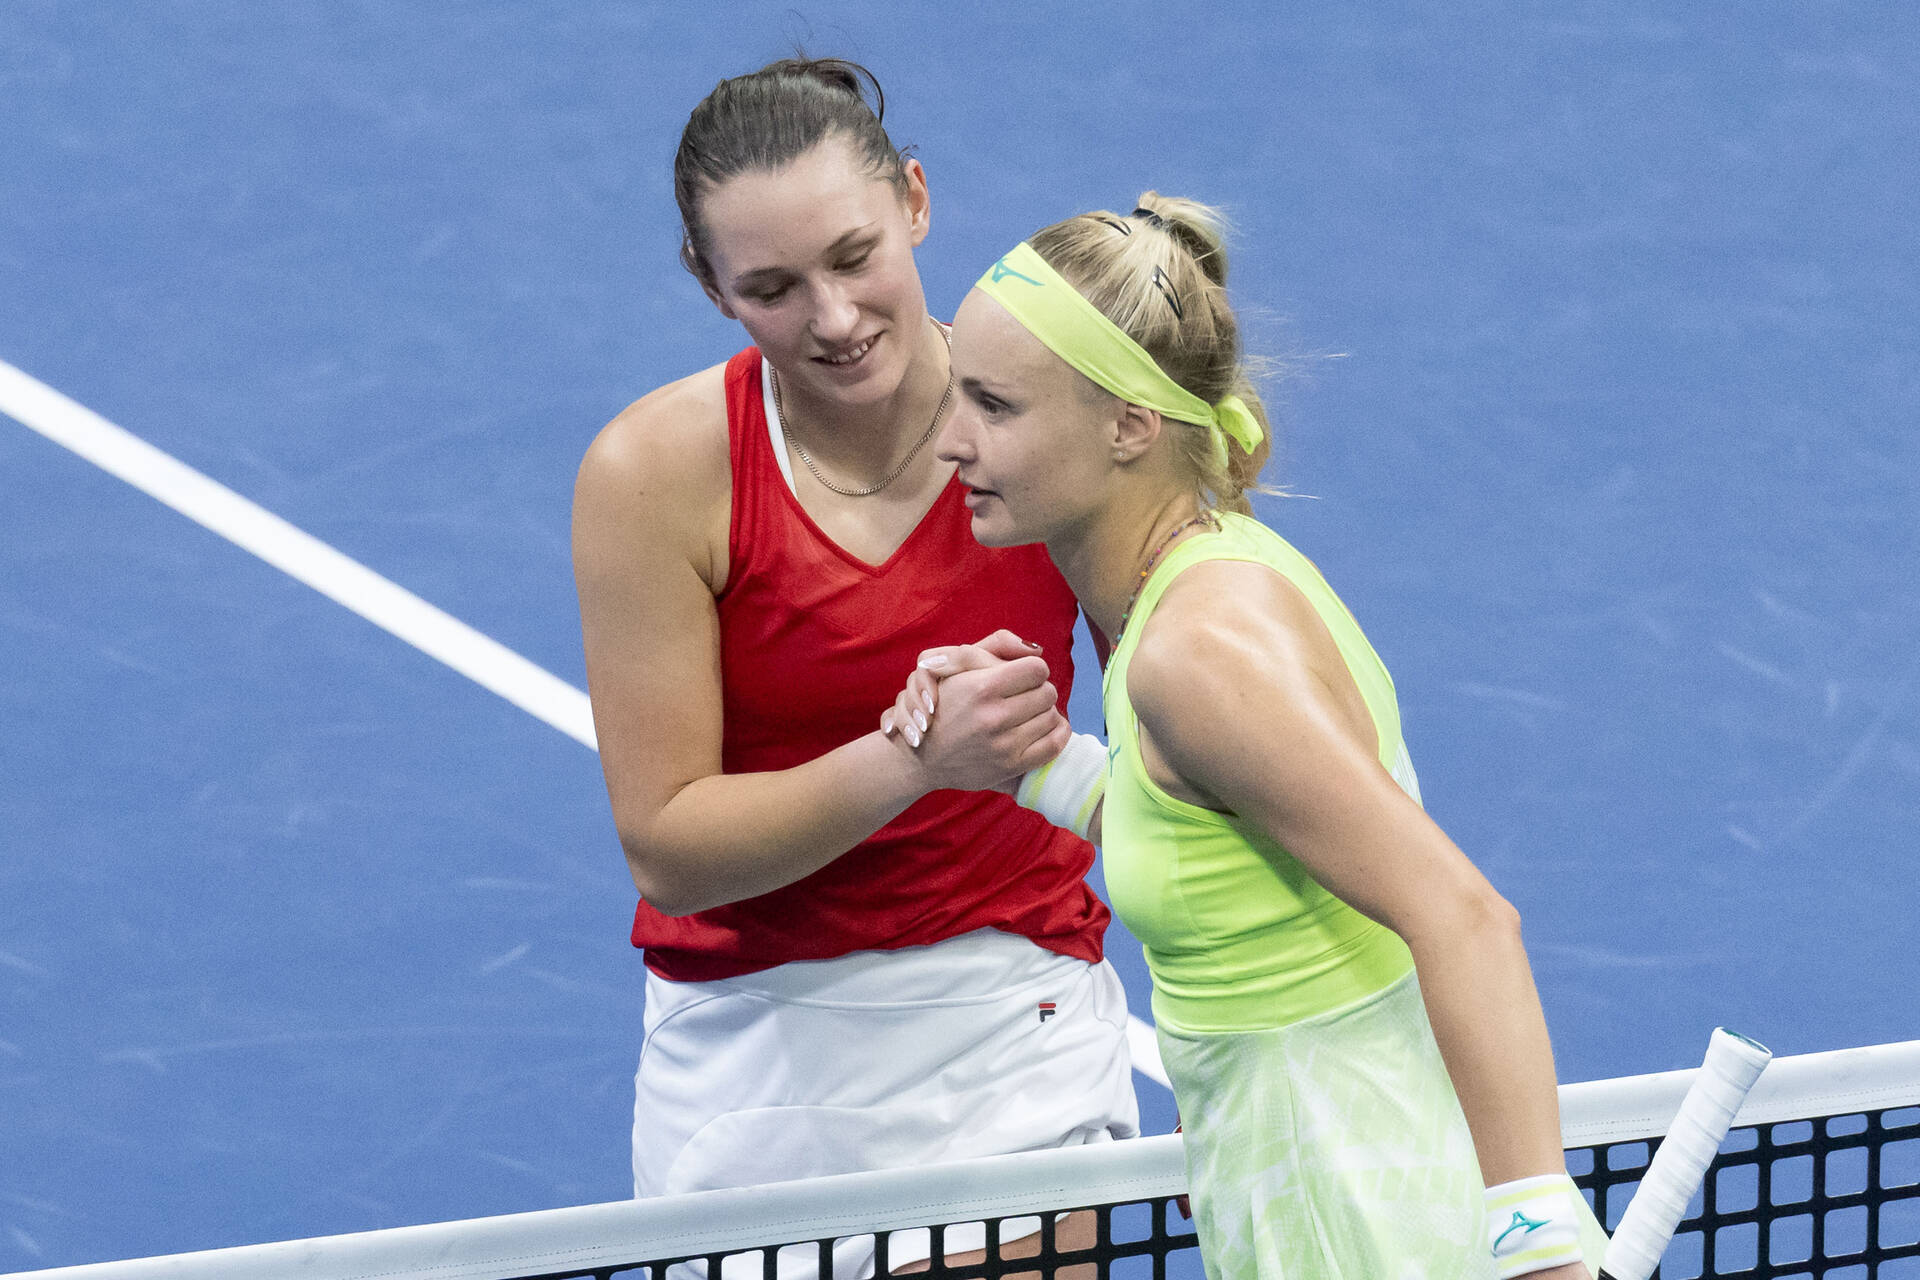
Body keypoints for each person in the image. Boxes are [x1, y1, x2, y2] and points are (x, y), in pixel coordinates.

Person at [885, 195, 1610, 1279]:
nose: (951, 440)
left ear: (1129, 424)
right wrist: (1038, 763)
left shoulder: (1199, 653)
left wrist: (1538, 1240)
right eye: (957, 396)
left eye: (993, 405)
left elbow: (1465, 916)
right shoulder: (1199, 572)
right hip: (1314, 1191)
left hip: (1366, 1217)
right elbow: (1218, 850)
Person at [569, 56, 1137, 1275]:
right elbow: (669, 843)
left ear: (917, 201)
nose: (832, 319)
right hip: (747, 1054)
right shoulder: (655, 476)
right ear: (708, 285)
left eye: (853, 256)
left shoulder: (1051, 433)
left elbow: (1170, 706)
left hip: (1006, 1011)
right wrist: (913, 760)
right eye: (770, 287)